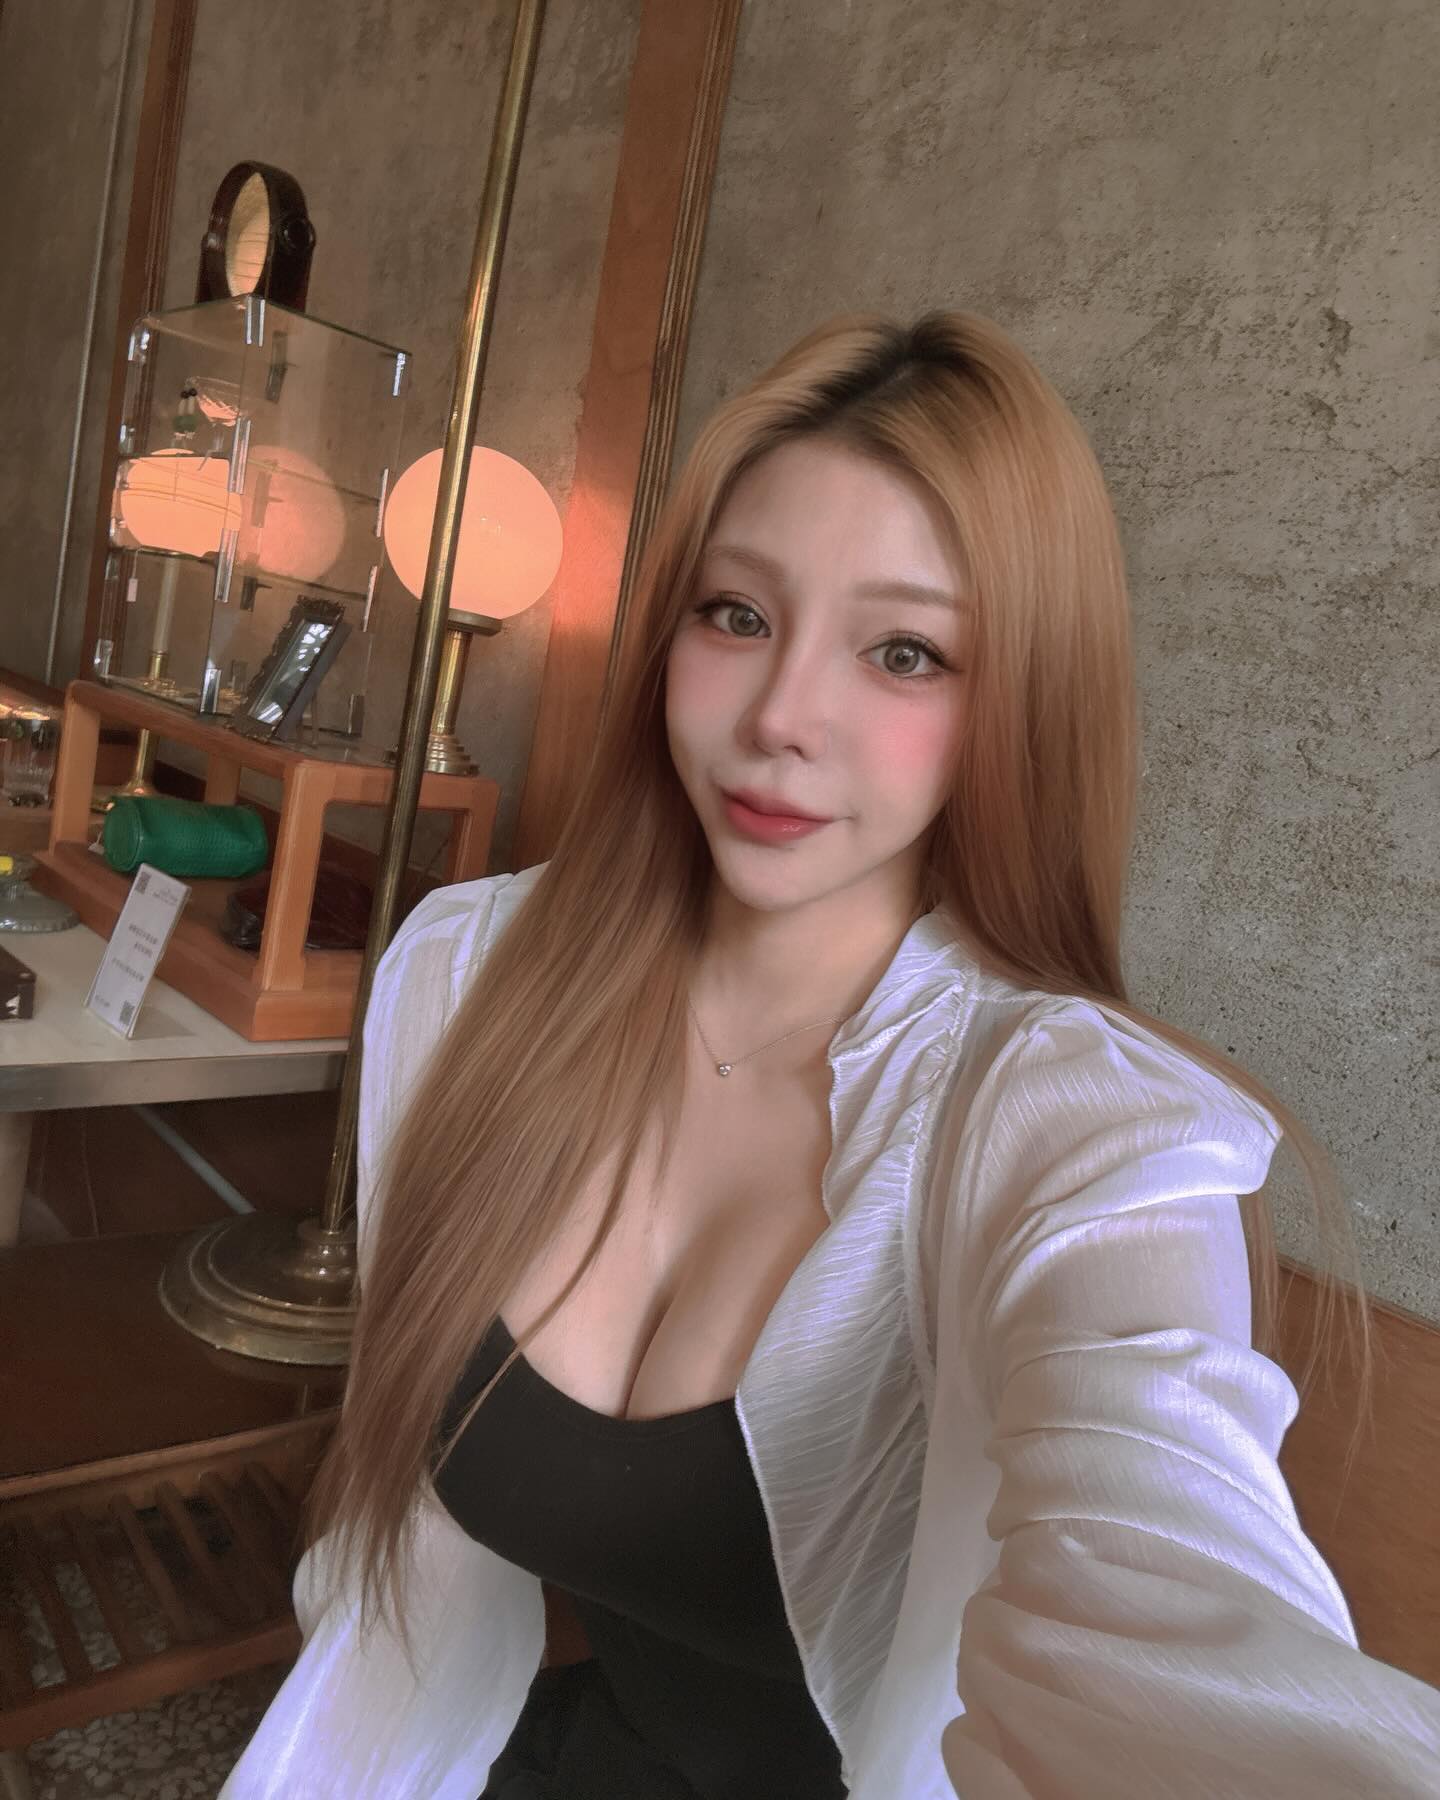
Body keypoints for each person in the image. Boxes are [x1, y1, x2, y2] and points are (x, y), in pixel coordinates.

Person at [221, 312, 1440, 1798]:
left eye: (905, 652)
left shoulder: (1075, 1128)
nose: (781, 718)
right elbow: (397, 1576)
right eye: (737, 615)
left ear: (1023, 703)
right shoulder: (471, 976)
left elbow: (1166, 1590)